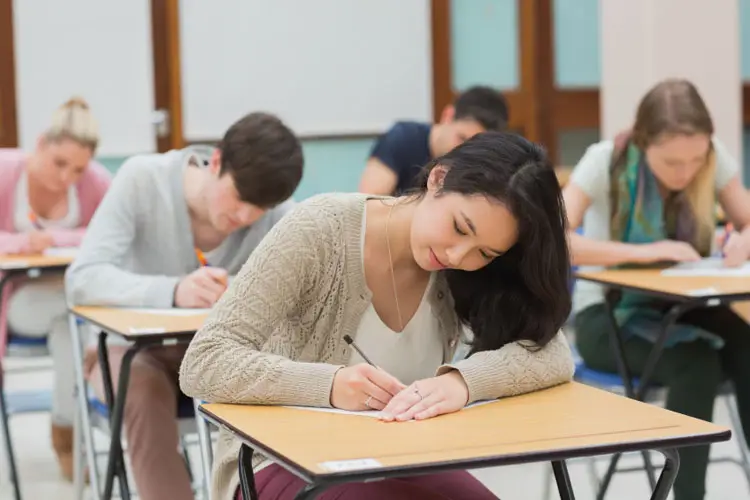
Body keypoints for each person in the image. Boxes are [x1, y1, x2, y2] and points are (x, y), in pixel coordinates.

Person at [180, 131, 576, 500]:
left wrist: (464, 382)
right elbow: (205, 360)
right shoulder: (321, 229)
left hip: (402, 458)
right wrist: (331, 385)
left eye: (485, 253)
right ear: (438, 178)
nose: (459, 256)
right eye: (459, 227)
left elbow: (552, 353)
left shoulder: (465, 272)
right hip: (285, 461)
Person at [65, 112, 303, 500]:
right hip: (131, 354)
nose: (244, 217)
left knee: (289, 374)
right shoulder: (144, 179)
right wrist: (173, 291)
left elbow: (302, 284)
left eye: (257, 209)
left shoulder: (278, 210)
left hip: (220, 355)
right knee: (139, 382)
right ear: (216, 161)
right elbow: (82, 279)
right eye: (240, 199)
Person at [563, 79, 750, 500]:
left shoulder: (713, 158)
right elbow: (554, 237)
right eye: (671, 163)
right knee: (695, 364)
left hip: (685, 307)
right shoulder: (605, 161)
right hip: (608, 318)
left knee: (747, 345)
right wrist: (646, 252)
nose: (686, 173)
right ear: (644, 144)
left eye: (696, 160)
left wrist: (741, 240)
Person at [0, 97, 111, 480]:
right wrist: (20, 243)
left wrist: (55, 236)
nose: (67, 177)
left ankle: (68, 432)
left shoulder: (96, 181)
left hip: (70, 303)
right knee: (83, 316)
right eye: (59, 163)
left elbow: (112, 233)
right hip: (15, 302)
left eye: (78, 169)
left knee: (70, 332)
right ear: (41, 143)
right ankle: (80, 424)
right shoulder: (5, 171)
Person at [359, 86, 509, 195]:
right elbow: (368, 201)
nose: (465, 151)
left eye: (474, 147)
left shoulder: (477, 163)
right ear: (448, 116)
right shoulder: (403, 138)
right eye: (461, 138)